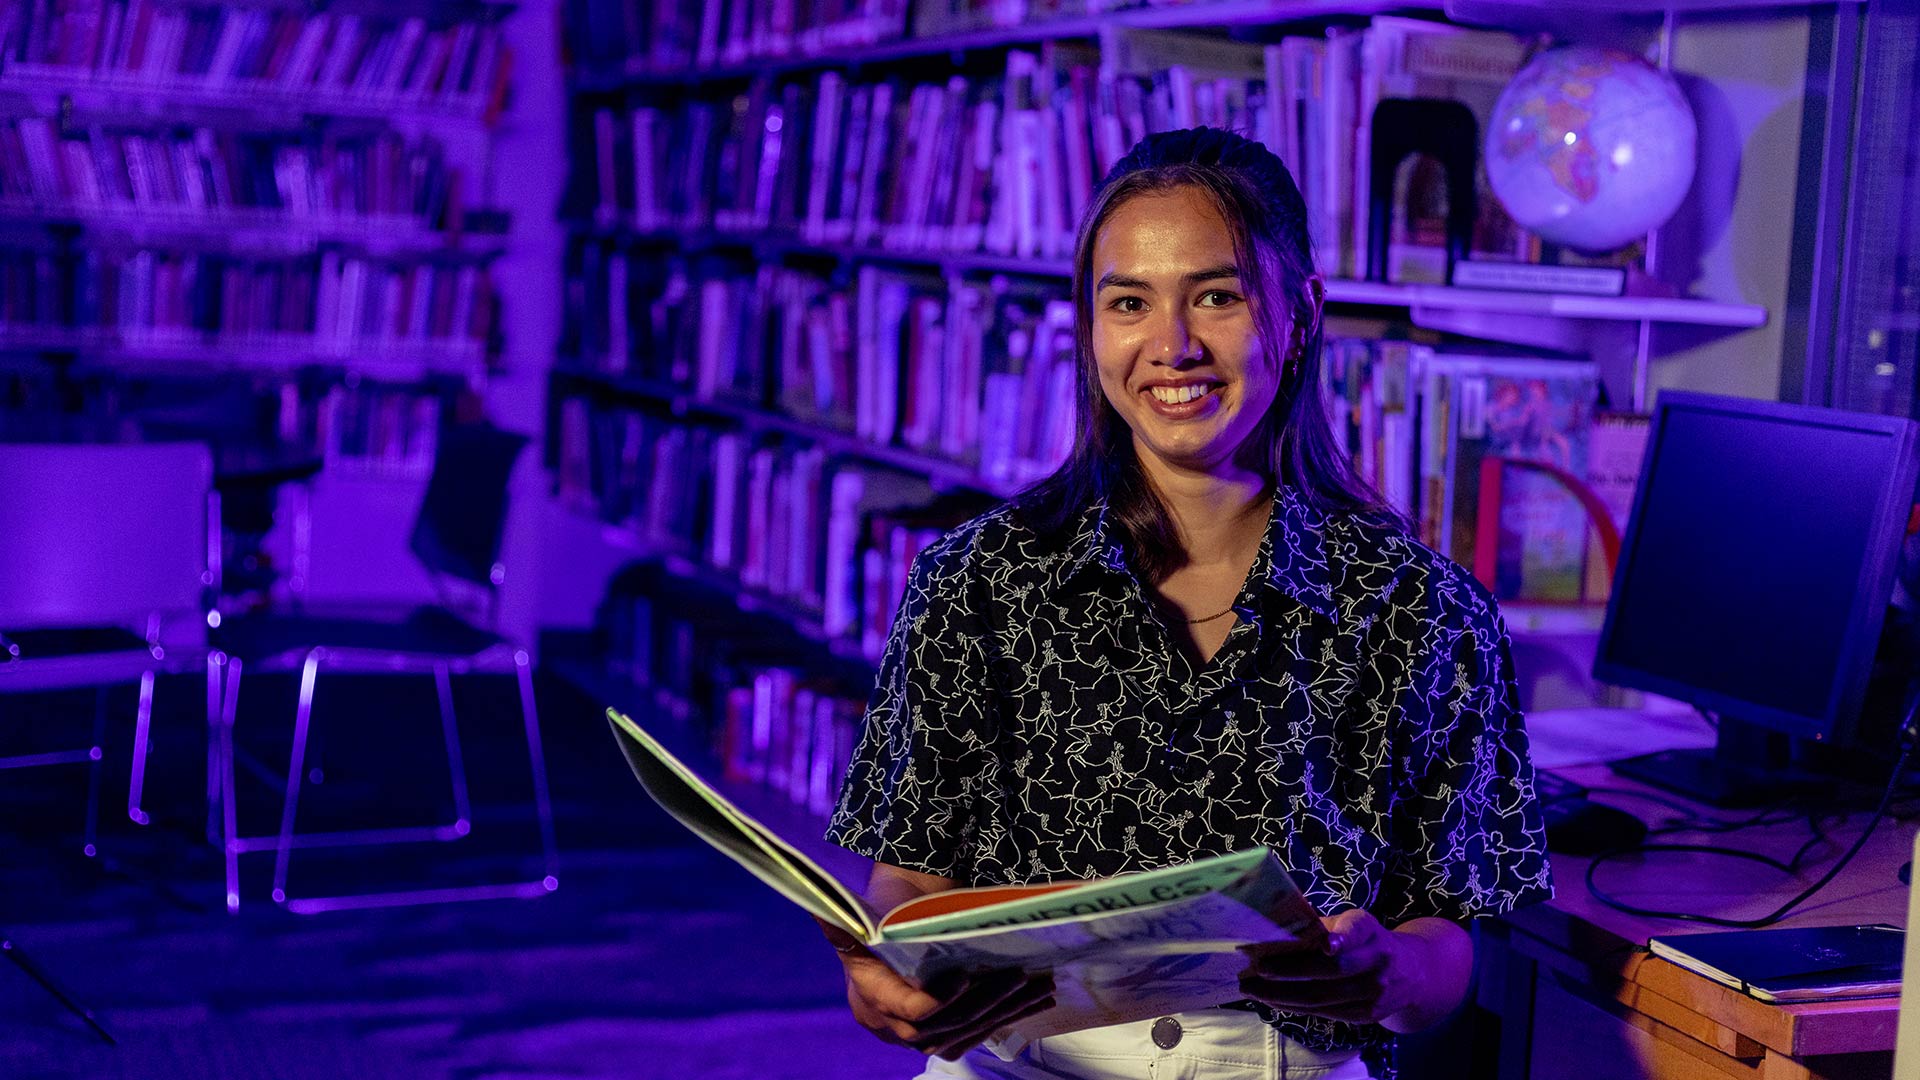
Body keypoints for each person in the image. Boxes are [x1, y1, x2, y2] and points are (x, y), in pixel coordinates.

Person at [820, 127, 1553, 1080]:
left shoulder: (1425, 609)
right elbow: (911, 876)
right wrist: (887, 971)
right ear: (1091, 329)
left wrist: (1392, 973)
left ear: (1298, 316)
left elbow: (1448, 937)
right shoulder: (973, 580)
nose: (1171, 346)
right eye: (1129, 302)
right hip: (1018, 1067)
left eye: (1217, 295)